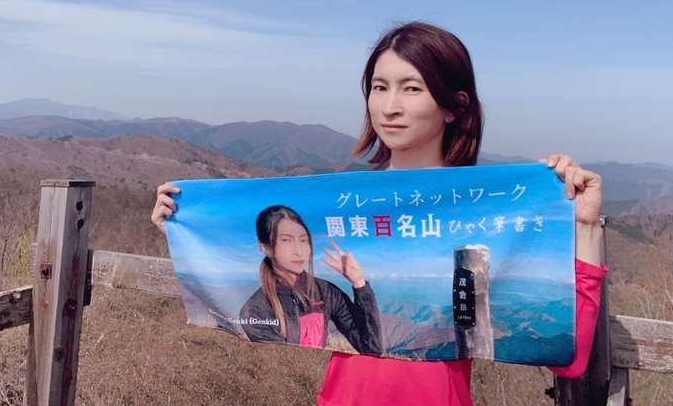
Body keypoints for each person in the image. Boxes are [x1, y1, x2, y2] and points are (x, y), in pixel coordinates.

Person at [151, 21, 607, 406]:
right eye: (379, 87)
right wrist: (185, 225)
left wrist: (585, 227)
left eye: (412, 88)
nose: (390, 106)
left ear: (454, 106)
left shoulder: (484, 214)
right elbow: (257, 296)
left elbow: (567, 355)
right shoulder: (343, 204)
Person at [238, 204, 383, 354]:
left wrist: (359, 283)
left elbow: (372, 349)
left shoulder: (325, 292)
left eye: (303, 240)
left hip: (320, 369)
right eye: (286, 240)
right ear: (265, 248)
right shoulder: (255, 310)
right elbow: (282, 363)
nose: (299, 251)